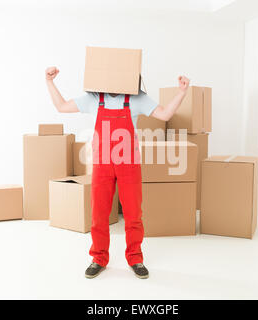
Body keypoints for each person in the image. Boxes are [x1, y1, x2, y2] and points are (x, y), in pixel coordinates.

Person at [45, 66, 190, 279]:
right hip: (102, 164)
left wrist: (182, 92)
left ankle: (135, 258)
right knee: (99, 215)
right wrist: (49, 82)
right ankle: (99, 258)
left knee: (133, 215)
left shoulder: (137, 98)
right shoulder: (94, 98)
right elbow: (62, 106)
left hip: (128, 164)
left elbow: (165, 114)